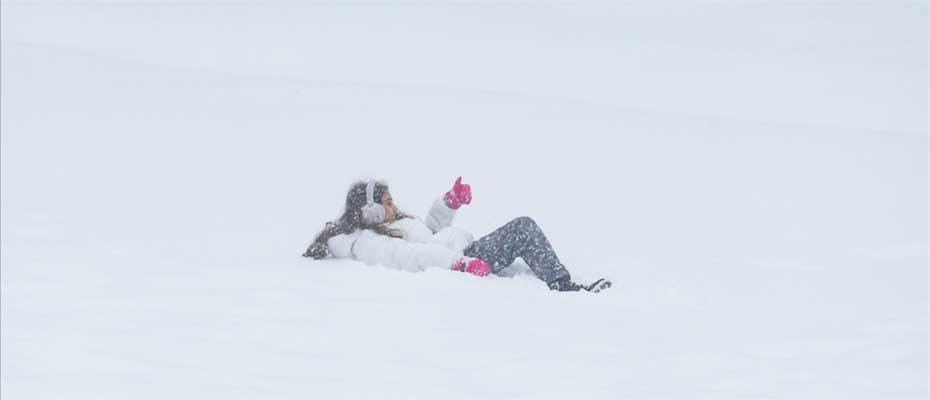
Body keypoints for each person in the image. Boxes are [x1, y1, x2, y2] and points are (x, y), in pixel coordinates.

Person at [303, 177, 611, 292]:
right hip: (463, 257)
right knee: (523, 227)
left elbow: (430, 234)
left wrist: (448, 203)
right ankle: (562, 284)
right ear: (369, 210)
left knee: (522, 228)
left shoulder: (392, 224)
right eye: (386, 202)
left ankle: (560, 280)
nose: (393, 205)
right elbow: (414, 256)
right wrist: (459, 264)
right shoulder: (368, 242)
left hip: (460, 250)